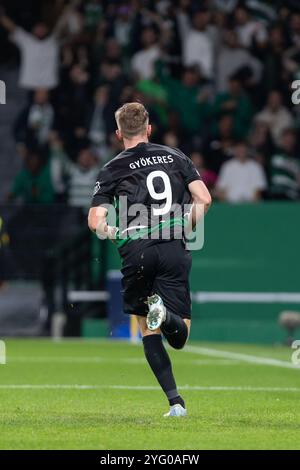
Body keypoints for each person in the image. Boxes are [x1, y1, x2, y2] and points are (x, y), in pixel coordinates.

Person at [88, 102, 211, 417]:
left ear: (118, 134)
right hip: (173, 244)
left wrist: (115, 232)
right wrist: (186, 225)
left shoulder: (112, 168)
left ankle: (175, 403)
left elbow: (95, 221)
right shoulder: (176, 156)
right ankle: (166, 315)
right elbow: (204, 198)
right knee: (179, 336)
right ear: (149, 129)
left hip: (136, 248)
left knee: (147, 328)